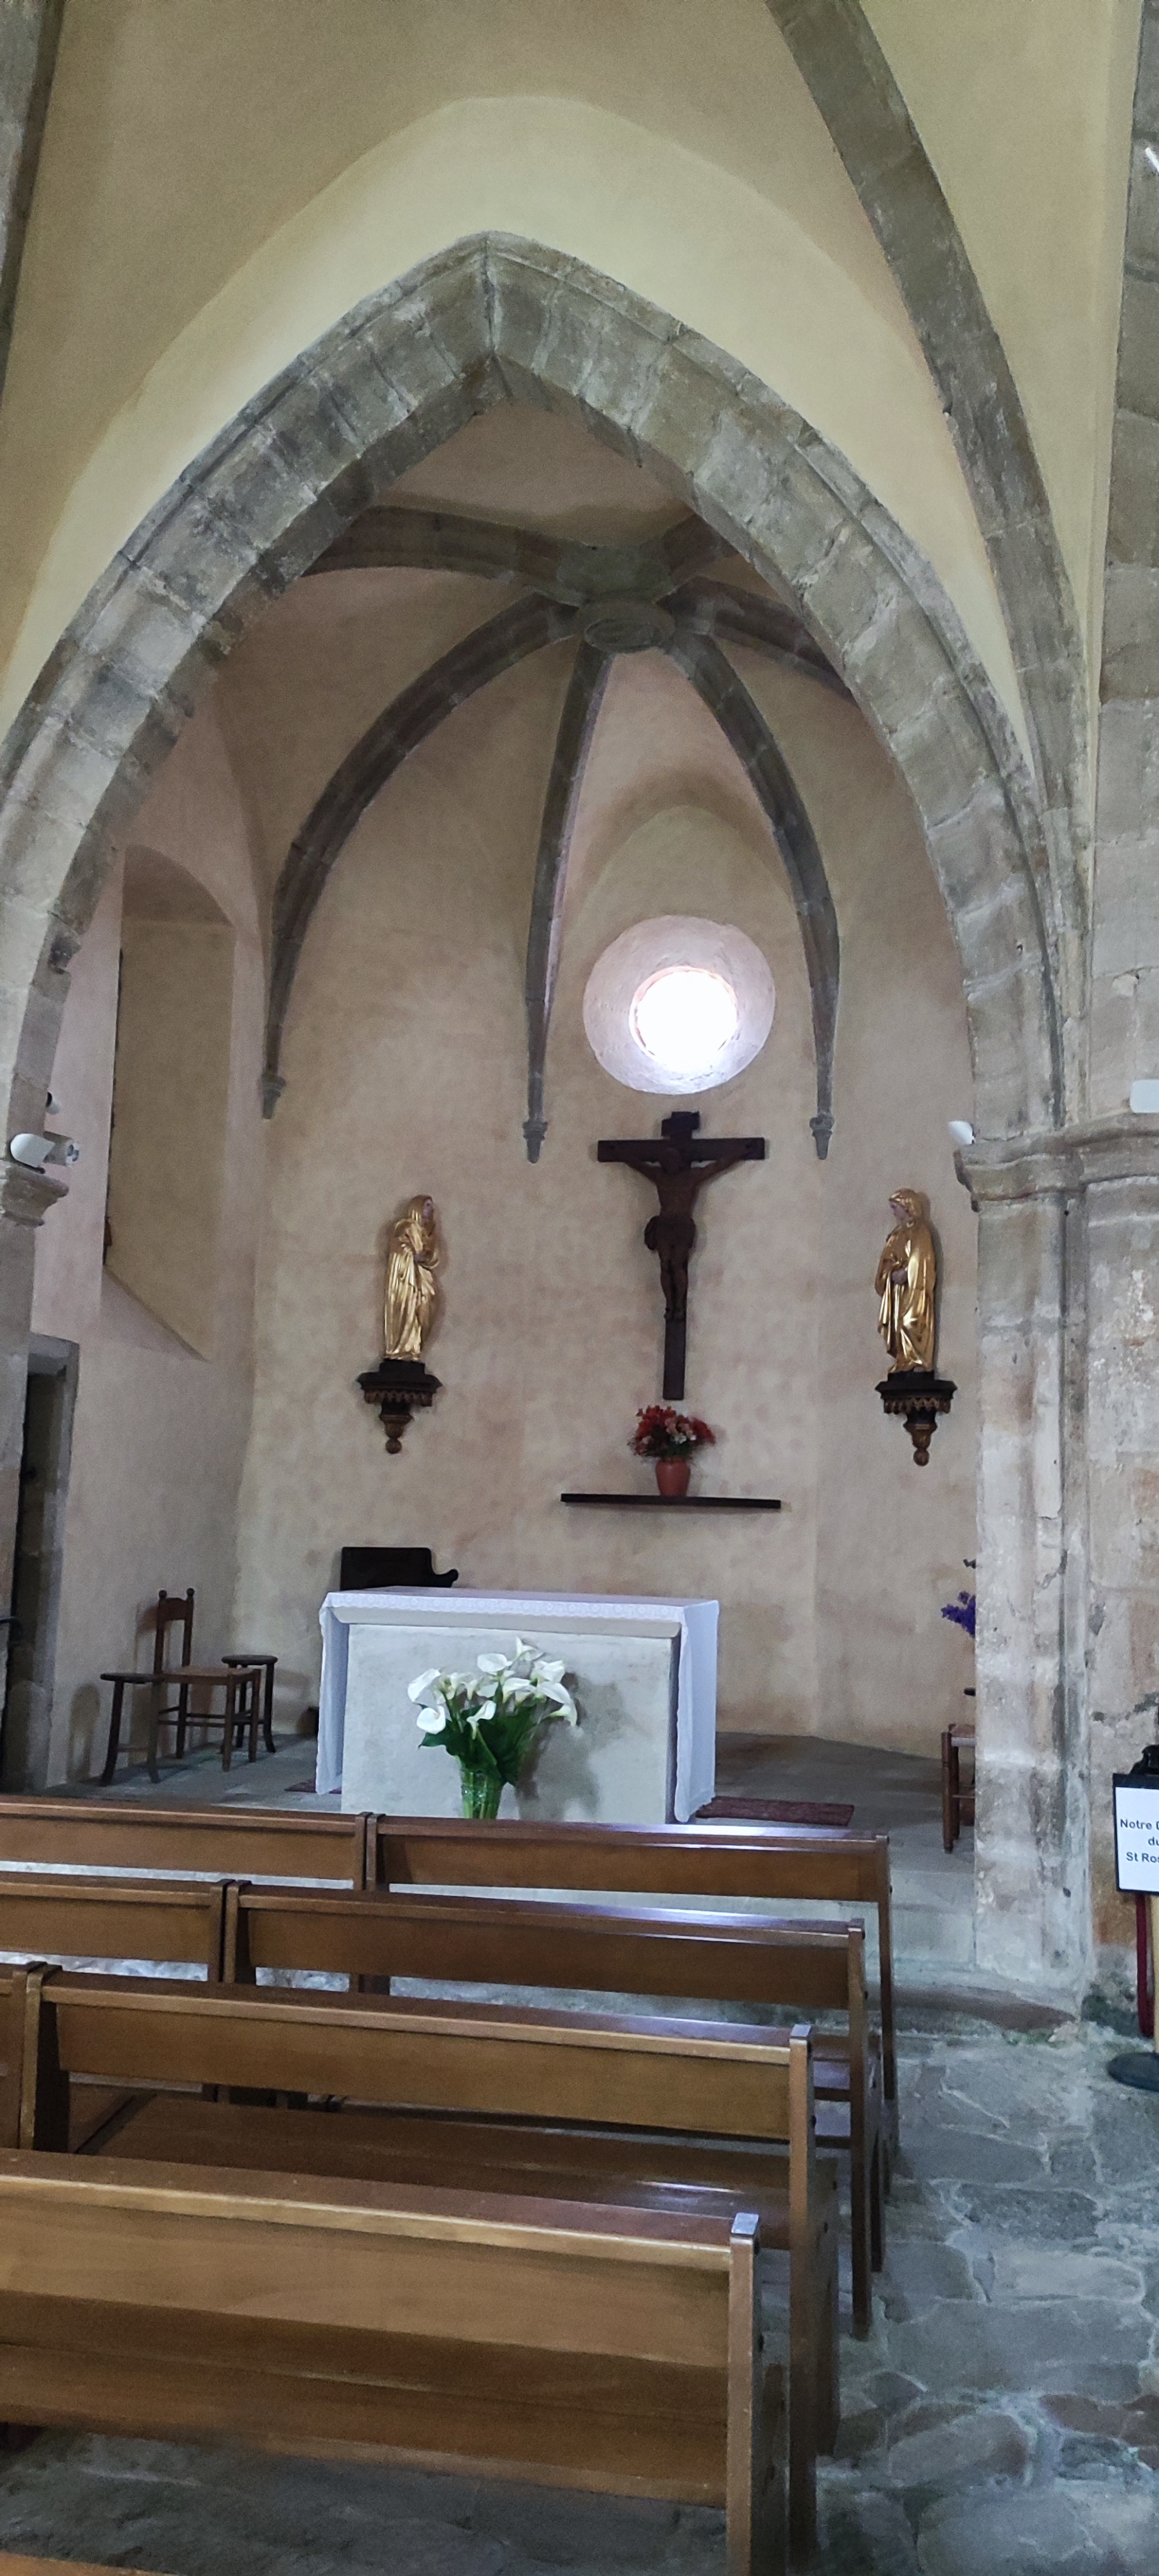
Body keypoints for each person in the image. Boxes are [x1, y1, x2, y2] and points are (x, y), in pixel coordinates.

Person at [876, 1187, 937, 1374]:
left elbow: (922, 1258)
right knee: (897, 1325)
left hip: (915, 1286)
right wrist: (891, 1273)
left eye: (896, 1207)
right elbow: (886, 1261)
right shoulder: (896, 1235)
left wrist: (907, 1272)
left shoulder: (921, 1231)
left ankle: (918, 1360)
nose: (894, 1212)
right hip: (898, 1291)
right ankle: (904, 1360)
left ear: (907, 1206)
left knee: (909, 1321)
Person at [384, 1194, 438, 1358]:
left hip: (422, 1277)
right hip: (406, 1277)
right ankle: (403, 1348)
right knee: (407, 1307)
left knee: (427, 1301)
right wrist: (418, 1254)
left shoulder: (429, 1233)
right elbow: (418, 1252)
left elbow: (432, 1257)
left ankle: (415, 1346)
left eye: (431, 1206)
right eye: (427, 1205)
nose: (431, 1210)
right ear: (417, 1208)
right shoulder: (408, 1226)